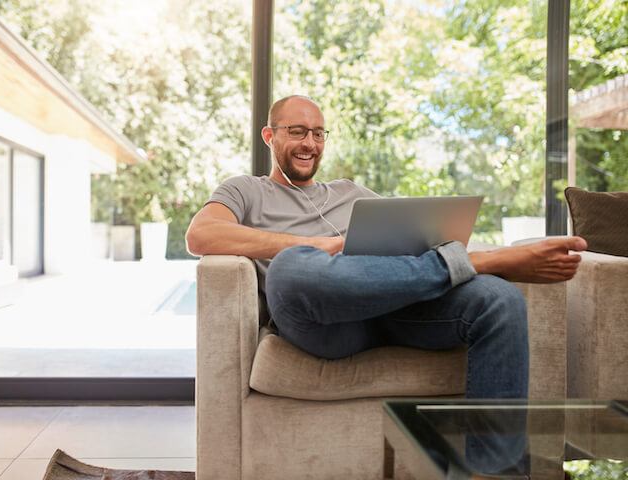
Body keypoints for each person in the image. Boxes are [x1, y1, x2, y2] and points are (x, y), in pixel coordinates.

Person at [185, 95, 587, 399]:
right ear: (270, 136)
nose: (310, 143)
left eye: (318, 133)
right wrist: (319, 245)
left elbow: (410, 240)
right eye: (297, 131)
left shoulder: (353, 193)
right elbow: (201, 235)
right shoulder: (245, 189)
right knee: (293, 266)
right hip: (323, 321)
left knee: (500, 299)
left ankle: (493, 472)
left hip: (393, 308)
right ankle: (480, 262)